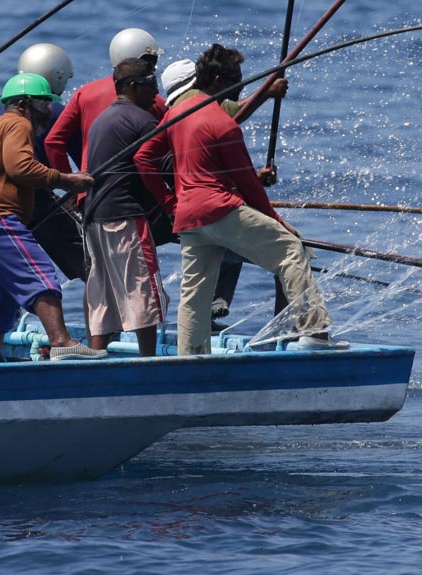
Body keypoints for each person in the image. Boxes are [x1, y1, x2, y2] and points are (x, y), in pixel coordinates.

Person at [135, 44, 338, 355]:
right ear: (218, 80)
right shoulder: (223, 124)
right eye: (238, 80)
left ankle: (190, 357)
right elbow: (249, 187)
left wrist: (170, 201)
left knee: (196, 293)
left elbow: (143, 158)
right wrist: (279, 222)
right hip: (219, 209)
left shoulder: (176, 113)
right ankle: (314, 331)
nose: (241, 85)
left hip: (188, 218)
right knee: (291, 250)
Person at [0, 73, 104, 361]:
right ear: (23, 104)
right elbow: (20, 167)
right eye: (43, 103)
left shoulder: (0, 124)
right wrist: (65, 180)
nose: (48, 110)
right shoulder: (16, 123)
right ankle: (61, 341)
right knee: (41, 277)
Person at [155, 55, 289, 321]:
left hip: (186, 210)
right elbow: (234, 115)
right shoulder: (194, 105)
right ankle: (286, 331)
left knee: (228, 240)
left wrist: (254, 180)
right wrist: (267, 92)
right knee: (291, 252)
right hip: (197, 209)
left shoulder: (177, 109)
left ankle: (210, 310)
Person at [0, 42, 85, 282]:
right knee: (91, 265)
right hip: (39, 202)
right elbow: (83, 160)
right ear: (57, 76)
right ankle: (103, 318)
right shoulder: (56, 110)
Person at [80, 61, 169, 355]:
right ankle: (148, 362)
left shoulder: (102, 119)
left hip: (94, 218)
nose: (157, 92)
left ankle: (97, 355)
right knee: (143, 290)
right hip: (126, 216)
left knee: (102, 293)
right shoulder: (142, 121)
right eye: (151, 84)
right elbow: (167, 166)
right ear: (132, 87)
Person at [44, 27, 167, 177]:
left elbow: (53, 141)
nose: (154, 68)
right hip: (133, 195)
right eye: (151, 62)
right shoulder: (154, 102)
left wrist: (70, 185)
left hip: (89, 194)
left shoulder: (84, 94)